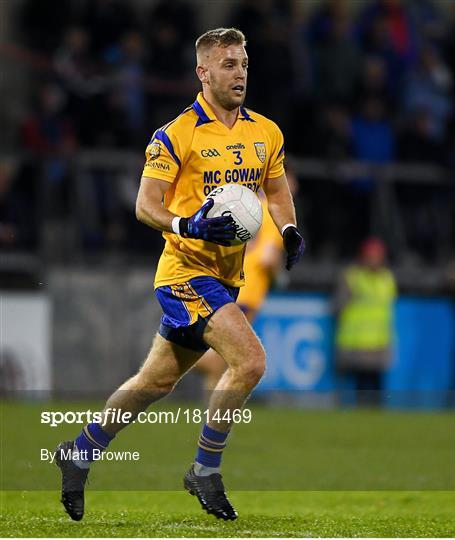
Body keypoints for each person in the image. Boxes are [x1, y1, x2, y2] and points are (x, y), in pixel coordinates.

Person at [54, 27, 305, 522]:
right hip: (185, 271)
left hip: (226, 275)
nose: (240, 74)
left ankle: (79, 452)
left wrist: (290, 227)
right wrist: (185, 223)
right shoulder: (177, 133)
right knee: (251, 361)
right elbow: (145, 205)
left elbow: (275, 190)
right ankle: (205, 471)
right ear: (203, 72)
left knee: (155, 382)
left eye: (244, 65)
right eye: (229, 65)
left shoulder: (266, 132)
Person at [195, 167, 299, 390]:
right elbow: (268, 257)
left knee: (224, 359)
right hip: (248, 290)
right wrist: (280, 278)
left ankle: (208, 411)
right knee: (224, 357)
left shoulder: (246, 204)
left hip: (227, 281)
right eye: (291, 180)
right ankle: (178, 357)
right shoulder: (273, 213)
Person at [334, 237, 396, 406]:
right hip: (355, 344)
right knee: (356, 390)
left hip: (379, 343)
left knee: (377, 390)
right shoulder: (352, 277)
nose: (374, 261)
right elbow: (338, 306)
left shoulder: (387, 279)